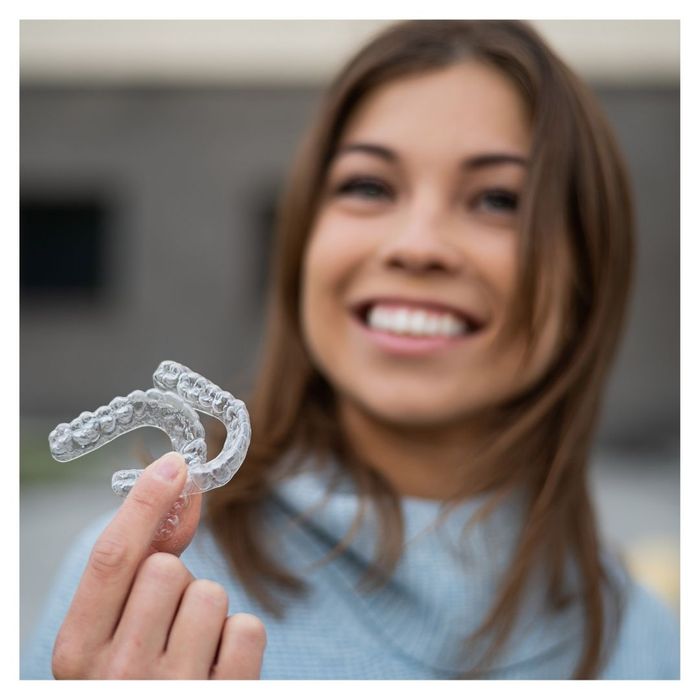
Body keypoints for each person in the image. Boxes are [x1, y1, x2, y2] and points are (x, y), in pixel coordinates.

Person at [21, 20, 679, 680]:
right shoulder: (135, 596)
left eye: (499, 199)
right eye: (368, 186)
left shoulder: (652, 651)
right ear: (304, 241)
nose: (416, 245)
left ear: (588, 275)